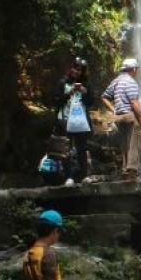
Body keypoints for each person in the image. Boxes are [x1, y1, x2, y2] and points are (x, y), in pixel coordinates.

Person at [101, 57, 141, 181]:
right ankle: (132, 172)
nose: (137, 71)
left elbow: (104, 97)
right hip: (130, 116)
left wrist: (113, 110)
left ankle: (124, 171)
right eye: (136, 69)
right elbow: (134, 102)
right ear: (132, 69)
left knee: (125, 144)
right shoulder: (130, 82)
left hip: (119, 117)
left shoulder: (116, 81)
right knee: (133, 144)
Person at [54, 57, 93, 185]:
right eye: (75, 68)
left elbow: (91, 102)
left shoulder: (86, 85)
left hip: (80, 122)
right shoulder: (62, 83)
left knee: (82, 149)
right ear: (70, 68)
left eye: (79, 70)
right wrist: (69, 92)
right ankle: (68, 177)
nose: (76, 71)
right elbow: (56, 101)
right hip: (64, 120)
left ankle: (83, 176)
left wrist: (84, 92)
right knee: (66, 149)